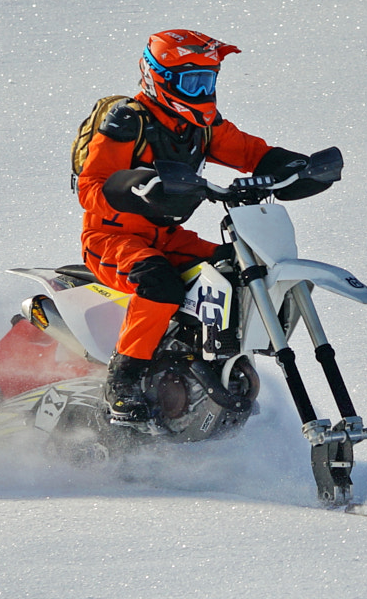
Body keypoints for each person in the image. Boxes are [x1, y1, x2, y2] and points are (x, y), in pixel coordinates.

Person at [74, 29, 329, 427]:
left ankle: (206, 364)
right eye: (191, 80)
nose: (202, 90)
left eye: (207, 80)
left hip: (167, 237)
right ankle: (123, 380)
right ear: (158, 77)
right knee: (160, 284)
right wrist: (135, 186)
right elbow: (91, 184)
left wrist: (296, 167)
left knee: (239, 270)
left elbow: (249, 152)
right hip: (113, 238)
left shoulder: (200, 126)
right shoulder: (128, 121)